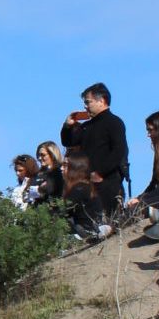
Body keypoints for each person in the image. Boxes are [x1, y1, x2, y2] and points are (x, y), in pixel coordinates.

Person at [60, 83, 129, 220]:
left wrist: (100, 172)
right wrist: (67, 126)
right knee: (87, 219)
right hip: (87, 182)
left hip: (108, 181)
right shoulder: (87, 126)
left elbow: (119, 151)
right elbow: (68, 142)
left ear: (101, 100)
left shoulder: (114, 122)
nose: (85, 106)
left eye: (88, 102)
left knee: (107, 220)